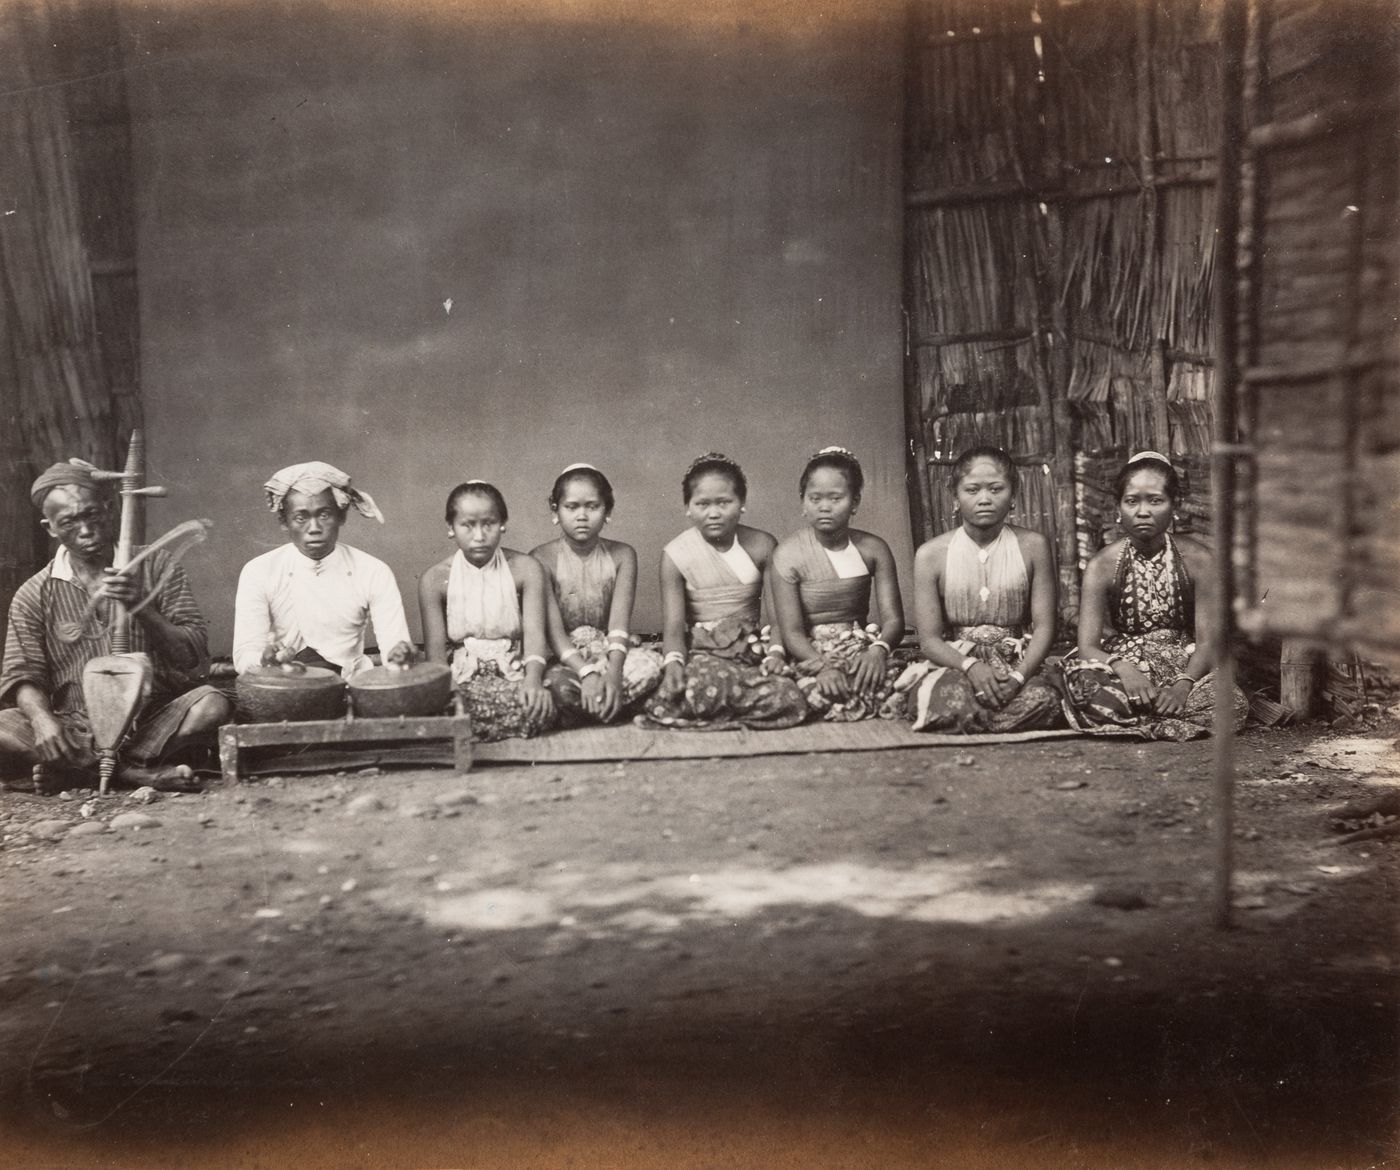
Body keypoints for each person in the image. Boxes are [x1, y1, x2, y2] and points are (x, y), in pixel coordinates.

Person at [0, 460, 230, 791]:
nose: (85, 530)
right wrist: (42, 720)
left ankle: (80, 773)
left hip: (151, 717)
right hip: (74, 725)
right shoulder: (34, 593)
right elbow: (22, 674)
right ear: (49, 527)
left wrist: (143, 607)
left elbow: (191, 655)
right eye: (68, 522)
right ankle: (135, 774)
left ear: (110, 509)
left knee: (212, 705)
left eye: (91, 515)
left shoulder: (157, 566)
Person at [1055, 450, 1247, 740]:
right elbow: (1087, 646)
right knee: (1087, 690)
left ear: (1175, 505)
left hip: (1184, 664)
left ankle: (1143, 718)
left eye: (1155, 500)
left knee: (1231, 702)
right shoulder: (1101, 565)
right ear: (1118, 508)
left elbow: (1209, 640)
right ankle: (1158, 716)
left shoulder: (1201, 560)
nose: (1142, 511)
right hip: (1124, 663)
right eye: (1132, 501)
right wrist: (1124, 670)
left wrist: (1183, 685)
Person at [895, 446, 1063, 733]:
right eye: (972, 490)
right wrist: (970, 666)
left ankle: (973, 721)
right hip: (957, 661)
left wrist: (1019, 678)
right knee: (948, 699)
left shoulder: (1034, 546)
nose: (984, 499)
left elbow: (1046, 626)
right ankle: (983, 718)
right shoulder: (930, 554)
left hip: (1016, 661)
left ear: (1013, 495)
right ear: (955, 497)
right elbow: (930, 641)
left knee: (1045, 699)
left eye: (996, 489)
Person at [641, 453, 806, 731]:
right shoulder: (675, 555)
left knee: (790, 696)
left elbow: (777, 618)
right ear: (688, 508)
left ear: (741, 504)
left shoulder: (763, 545)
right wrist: (673, 664)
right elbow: (673, 627)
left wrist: (776, 653)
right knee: (688, 687)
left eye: (724, 502)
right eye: (702, 504)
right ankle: (731, 711)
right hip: (704, 654)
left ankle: (718, 714)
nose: (713, 513)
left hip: (752, 650)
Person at [232, 461, 413, 680]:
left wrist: (399, 656)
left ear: (341, 517)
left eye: (324, 515)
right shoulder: (259, 571)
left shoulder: (373, 571)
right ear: (283, 521)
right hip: (281, 688)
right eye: (301, 517)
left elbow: (395, 651)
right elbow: (245, 654)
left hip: (350, 684)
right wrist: (265, 659)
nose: (314, 528)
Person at [770, 446, 906, 721]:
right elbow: (792, 632)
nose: (824, 507)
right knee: (792, 694)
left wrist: (877, 651)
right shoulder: (787, 554)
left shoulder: (874, 549)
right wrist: (822, 667)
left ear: (854, 502)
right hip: (809, 651)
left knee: (901, 686)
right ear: (803, 502)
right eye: (815, 498)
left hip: (859, 647)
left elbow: (894, 621)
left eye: (835, 498)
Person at [419, 481, 556, 741]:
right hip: (463, 677)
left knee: (540, 703)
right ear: (451, 528)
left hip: (514, 670)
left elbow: (535, 637)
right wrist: (450, 693)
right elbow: (435, 659)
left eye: (489, 524)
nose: (479, 536)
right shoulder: (434, 579)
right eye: (467, 525)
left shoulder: (527, 569)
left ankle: (470, 729)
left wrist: (533, 680)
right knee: (435, 707)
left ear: (502, 523)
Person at [530, 464, 661, 724]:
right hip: (564, 658)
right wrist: (588, 673)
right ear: (555, 511)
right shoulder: (540, 559)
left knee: (651, 666)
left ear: (607, 511)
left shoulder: (623, 555)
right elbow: (554, 634)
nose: (582, 515)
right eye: (571, 507)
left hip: (607, 651)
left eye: (592, 506)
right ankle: (612, 706)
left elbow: (618, 626)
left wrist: (613, 674)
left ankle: (596, 704)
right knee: (557, 686)